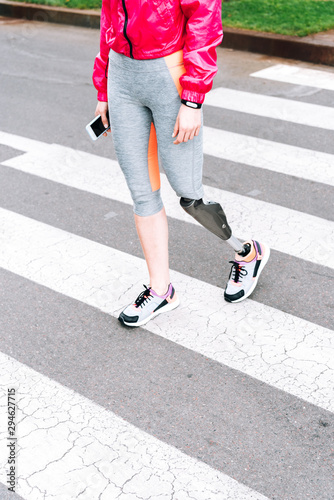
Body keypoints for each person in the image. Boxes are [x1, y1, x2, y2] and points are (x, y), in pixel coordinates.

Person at [92, 0, 270, 327]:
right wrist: (103, 88)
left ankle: (247, 251)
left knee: (191, 197)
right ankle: (161, 291)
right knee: (142, 192)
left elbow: (204, 19)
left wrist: (193, 99)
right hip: (121, 77)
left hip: (168, 76)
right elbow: (108, 18)